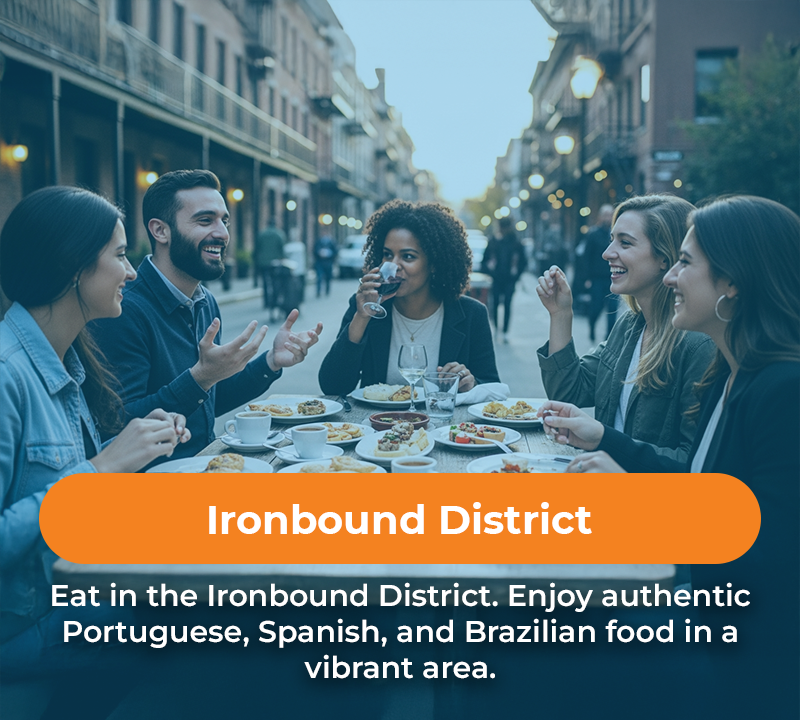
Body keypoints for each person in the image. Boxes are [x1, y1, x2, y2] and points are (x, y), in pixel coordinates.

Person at [539, 196, 800, 715]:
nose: (673, 279)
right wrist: (608, 448)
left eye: (685, 262)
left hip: (737, 641)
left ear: (733, 283)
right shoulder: (729, 372)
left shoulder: (782, 389)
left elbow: (764, 556)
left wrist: (635, 503)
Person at [0, 187, 190, 707]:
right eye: (121, 255)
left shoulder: (64, 357)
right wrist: (101, 470)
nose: (132, 273)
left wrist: (136, 444)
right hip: (24, 621)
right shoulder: (6, 375)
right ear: (73, 267)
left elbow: (62, 468)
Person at [91, 170, 322, 462]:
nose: (223, 233)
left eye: (223, 220)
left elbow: (207, 399)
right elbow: (115, 423)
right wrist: (199, 379)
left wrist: (271, 362)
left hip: (206, 464)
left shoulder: (204, 301)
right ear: (160, 231)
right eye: (205, 220)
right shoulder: (123, 308)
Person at [536, 195, 715, 463]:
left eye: (625, 243)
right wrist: (561, 314)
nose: (607, 253)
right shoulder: (630, 326)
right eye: (612, 239)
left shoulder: (699, 345)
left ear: (665, 258)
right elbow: (569, 393)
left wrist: (605, 440)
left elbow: (695, 464)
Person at [318, 199, 499, 395]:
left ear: (434, 264)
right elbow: (332, 387)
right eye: (388, 255)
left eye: (408, 257)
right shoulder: (365, 307)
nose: (394, 266)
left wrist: (471, 384)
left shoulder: (472, 314)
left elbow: (491, 387)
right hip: (377, 423)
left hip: (443, 424)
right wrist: (360, 319)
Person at [574, 203, 615, 341]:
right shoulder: (593, 234)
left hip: (612, 276)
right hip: (597, 277)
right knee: (596, 307)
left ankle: (609, 338)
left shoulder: (614, 234)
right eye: (605, 215)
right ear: (600, 217)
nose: (608, 218)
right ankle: (592, 326)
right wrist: (587, 278)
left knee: (612, 309)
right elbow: (586, 257)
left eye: (610, 215)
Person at [482, 216, 526, 342]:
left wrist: (516, 275)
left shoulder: (516, 242)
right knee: (495, 303)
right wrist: (490, 269)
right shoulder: (493, 241)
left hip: (509, 279)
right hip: (496, 278)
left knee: (507, 303)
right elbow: (484, 261)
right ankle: (497, 328)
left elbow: (523, 261)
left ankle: (505, 330)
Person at [253, 217, 286, 315]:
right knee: (275, 282)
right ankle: (275, 301)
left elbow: (257, 248)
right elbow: (282, 248)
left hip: (263, 263)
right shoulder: (279, 234)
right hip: (275, 263)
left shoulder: (262, 234)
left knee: (265, 283)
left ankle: (267, 302)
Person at [314, 233, 338, 297]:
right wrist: (319, 253)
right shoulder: (318, 242)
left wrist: (330, 254)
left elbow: (335, 251)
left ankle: (327, 290)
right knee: (319, 277)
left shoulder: (331, 242)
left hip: (328, 262)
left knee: (328, 278)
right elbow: (314, 251)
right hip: (320, 262)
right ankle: (318, 292)